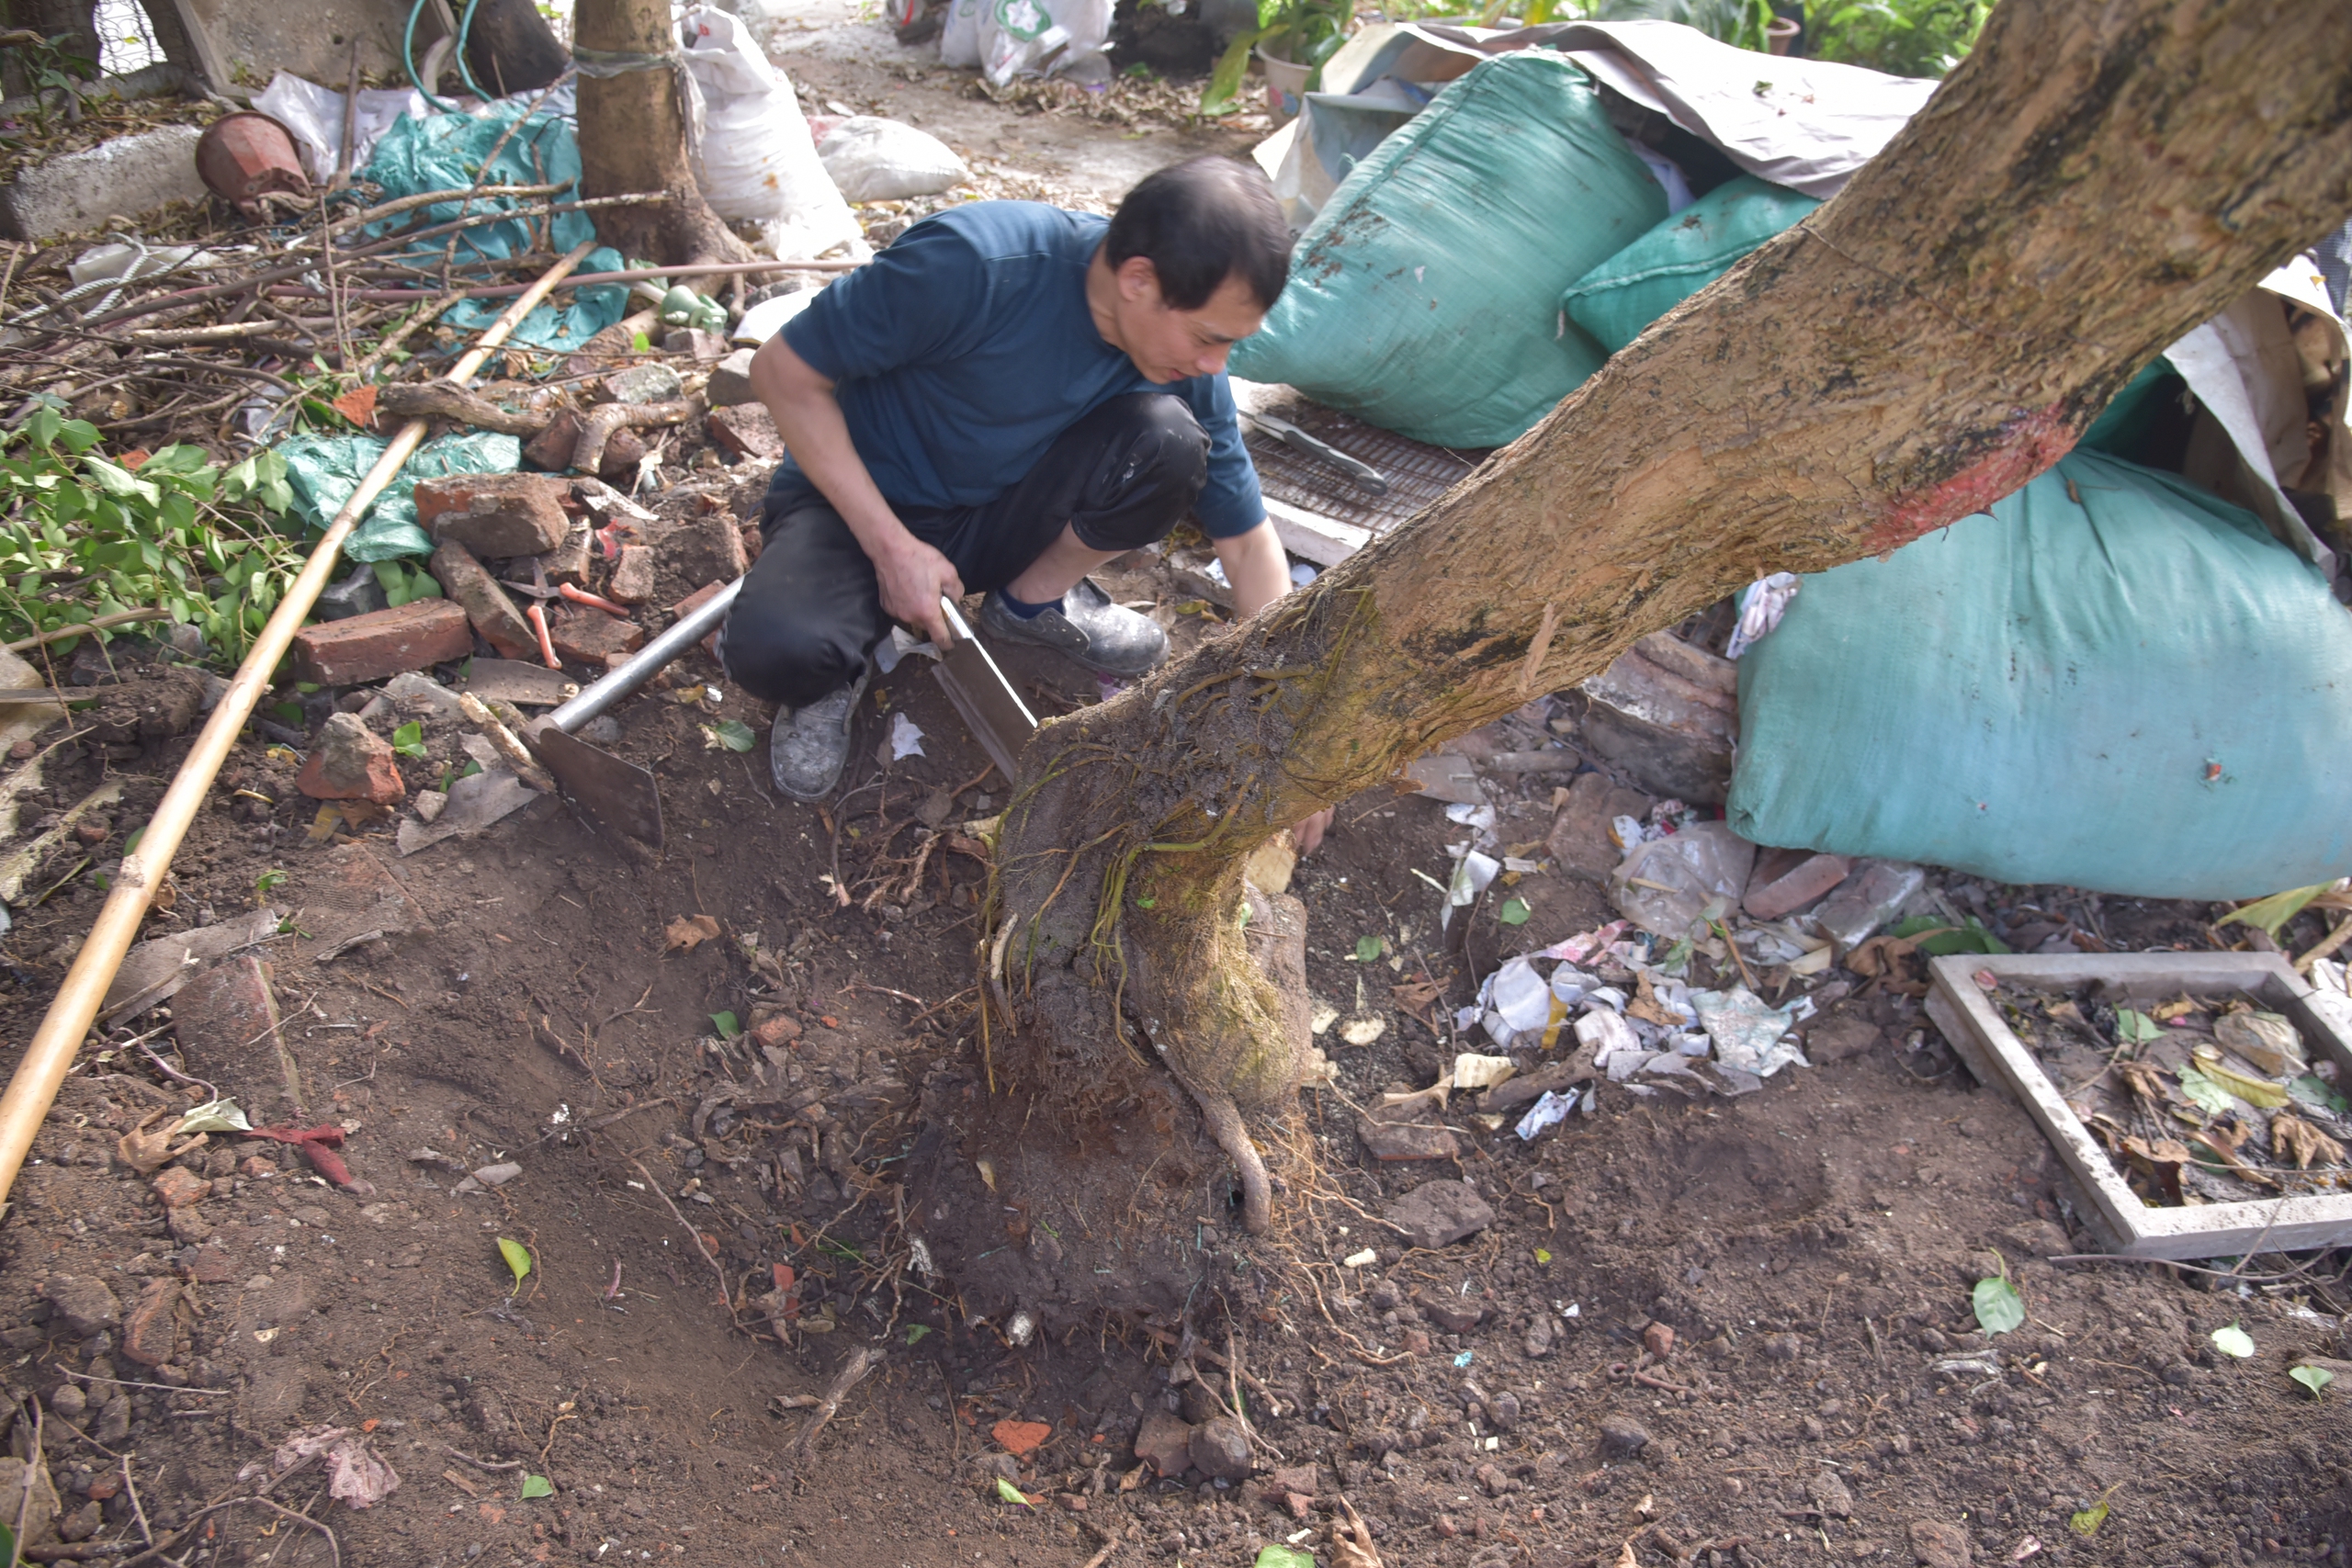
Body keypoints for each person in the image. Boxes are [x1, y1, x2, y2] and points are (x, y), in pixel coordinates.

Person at [718, 154, 1331, 850]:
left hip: (997, 515)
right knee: (775, 651)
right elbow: (780, 372)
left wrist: (1291, 729)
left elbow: (1248, 542)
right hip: (857, 508)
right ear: (1138, 280)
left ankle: (1031, 604)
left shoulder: (1181, 361)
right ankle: (836, 668)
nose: (1216, 364)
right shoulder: (973, 264)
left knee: (1171, 444)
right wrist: (893, 549)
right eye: (1207, 337)